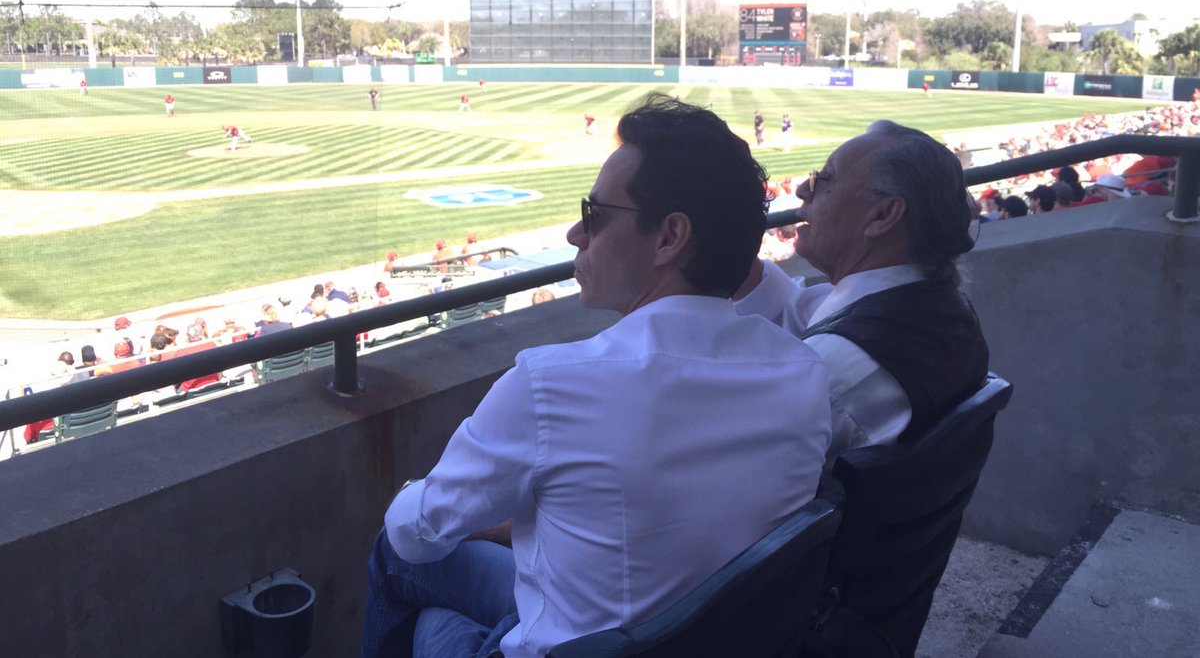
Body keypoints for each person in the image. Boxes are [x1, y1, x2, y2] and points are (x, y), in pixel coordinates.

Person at [361, 94, 832, 658]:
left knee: (401, 566)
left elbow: (414, 536)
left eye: (595, 215)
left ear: (668, 238)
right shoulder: (805, 373)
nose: (575, 236)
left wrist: (431, 496)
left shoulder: (549, 386)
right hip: (699, 634)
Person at [735, 119, 989, 460]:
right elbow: (800, 311)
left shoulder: (833, 371)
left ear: (883, 215)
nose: (802, 190)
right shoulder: (930, 304)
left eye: (824, 179)